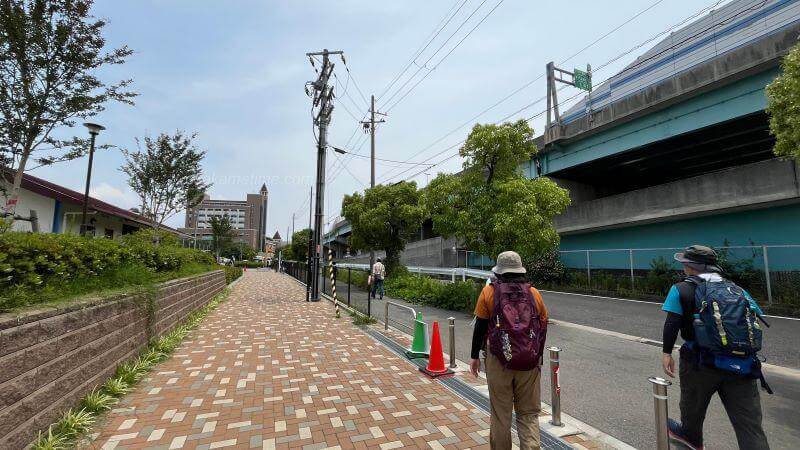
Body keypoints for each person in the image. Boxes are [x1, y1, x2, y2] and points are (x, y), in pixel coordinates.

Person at [662, 245, 770, 450]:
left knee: (692, 411)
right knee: (750, 426)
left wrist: (666, 353)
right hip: (742, 365)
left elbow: (672, 323)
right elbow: (756, 316)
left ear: (689, 266)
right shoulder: (736, 289)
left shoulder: (681, 289)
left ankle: (691, 438)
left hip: (699, 363)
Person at [470, 251, 548, 450]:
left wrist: (474, 357)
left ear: (499, 272)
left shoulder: (489, 292)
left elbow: (480, 326)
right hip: (529, 362)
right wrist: (537, 357)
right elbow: (542, 327)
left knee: (501, 415)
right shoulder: (534, 294)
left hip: (498, 360)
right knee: (528, 414)